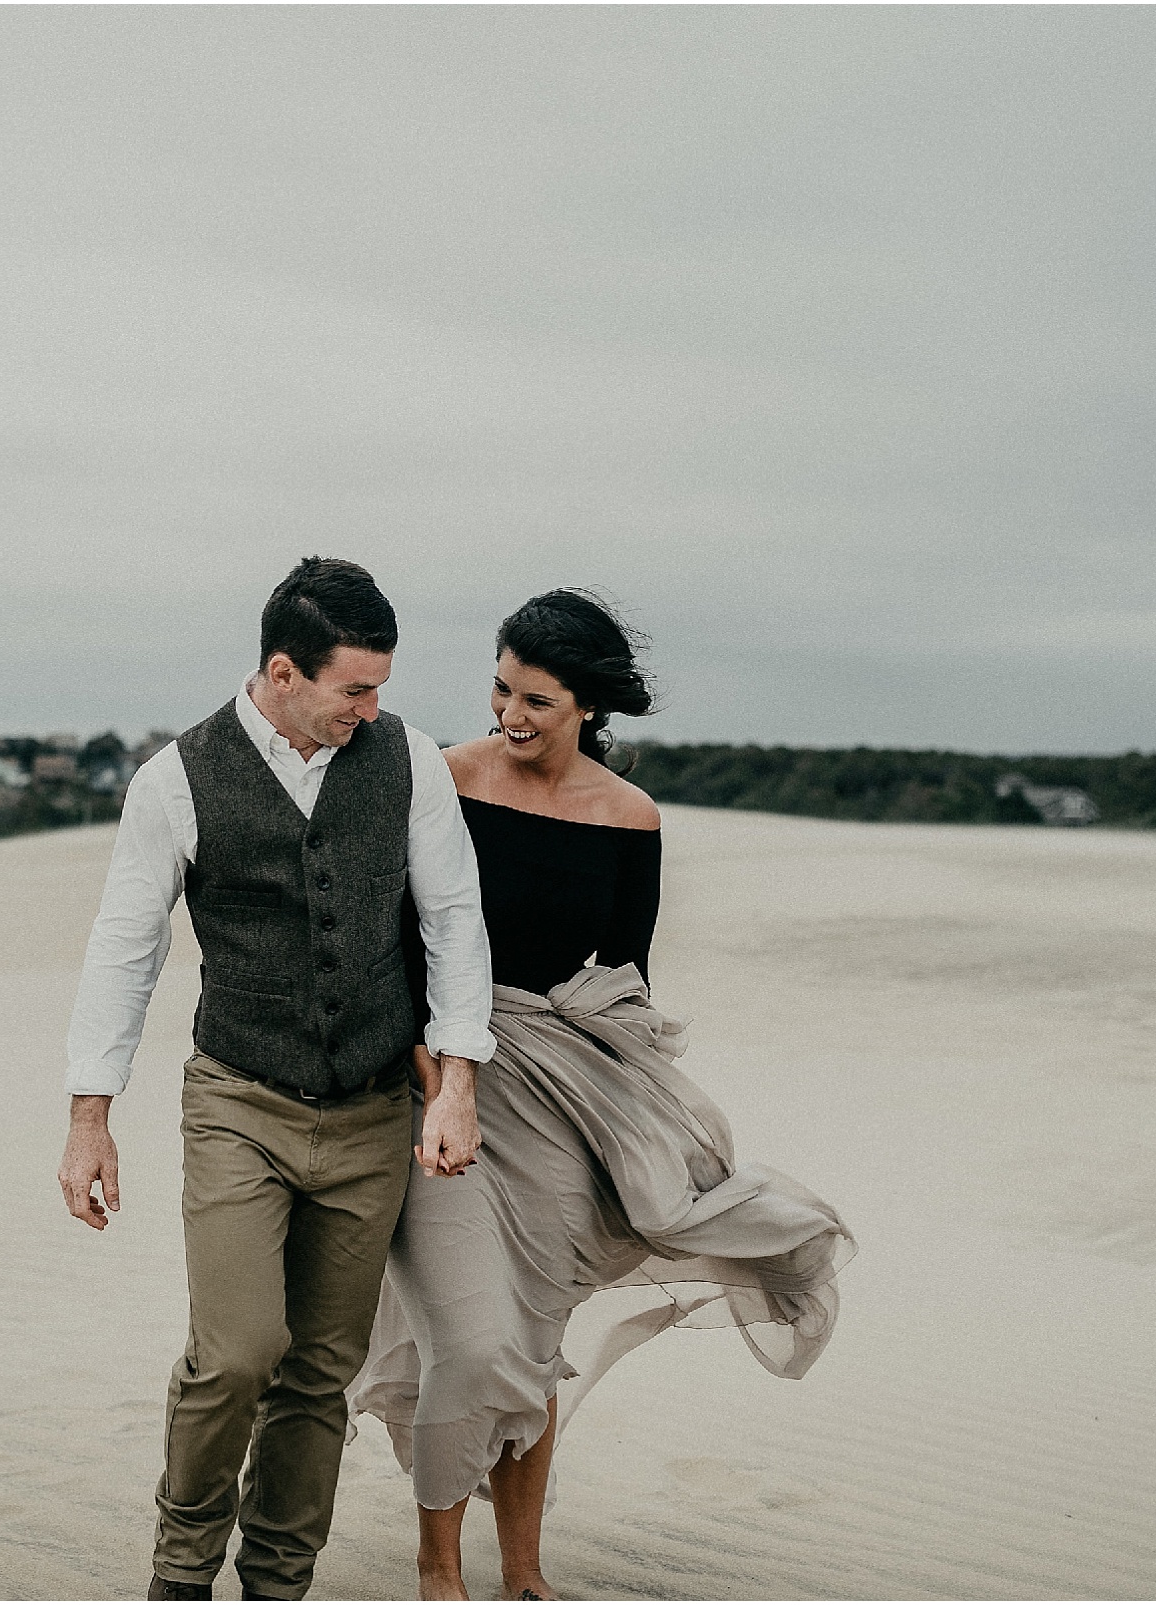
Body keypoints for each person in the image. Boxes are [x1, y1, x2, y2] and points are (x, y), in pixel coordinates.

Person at [348, 589, 855, 1601]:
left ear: (589, 708)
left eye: (536, 699)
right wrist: (444, 1086)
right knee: (472, 1336)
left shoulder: (628, 818)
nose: (510, 715)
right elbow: (391, 952)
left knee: (532, 1343)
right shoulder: (442, 779)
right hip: (441, 1089)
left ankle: (525, 1575)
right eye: (500, 688)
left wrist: (647, 1135)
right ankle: (437, 1568)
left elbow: (627, 983)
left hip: (570, 1110)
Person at [58, 557, 495, 1602]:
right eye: (355, 688)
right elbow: (126, 948)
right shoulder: (176, 781)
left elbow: (453, 917)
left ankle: (277, 1586)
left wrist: (458, 1081)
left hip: (370, 1111)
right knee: (240, 1352)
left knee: (318, 1377)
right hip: (240, 1103)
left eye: (381, 687)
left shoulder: (410, 762)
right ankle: (178, 1578)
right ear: (284, 673)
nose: (372, 708)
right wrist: (90, 1119)